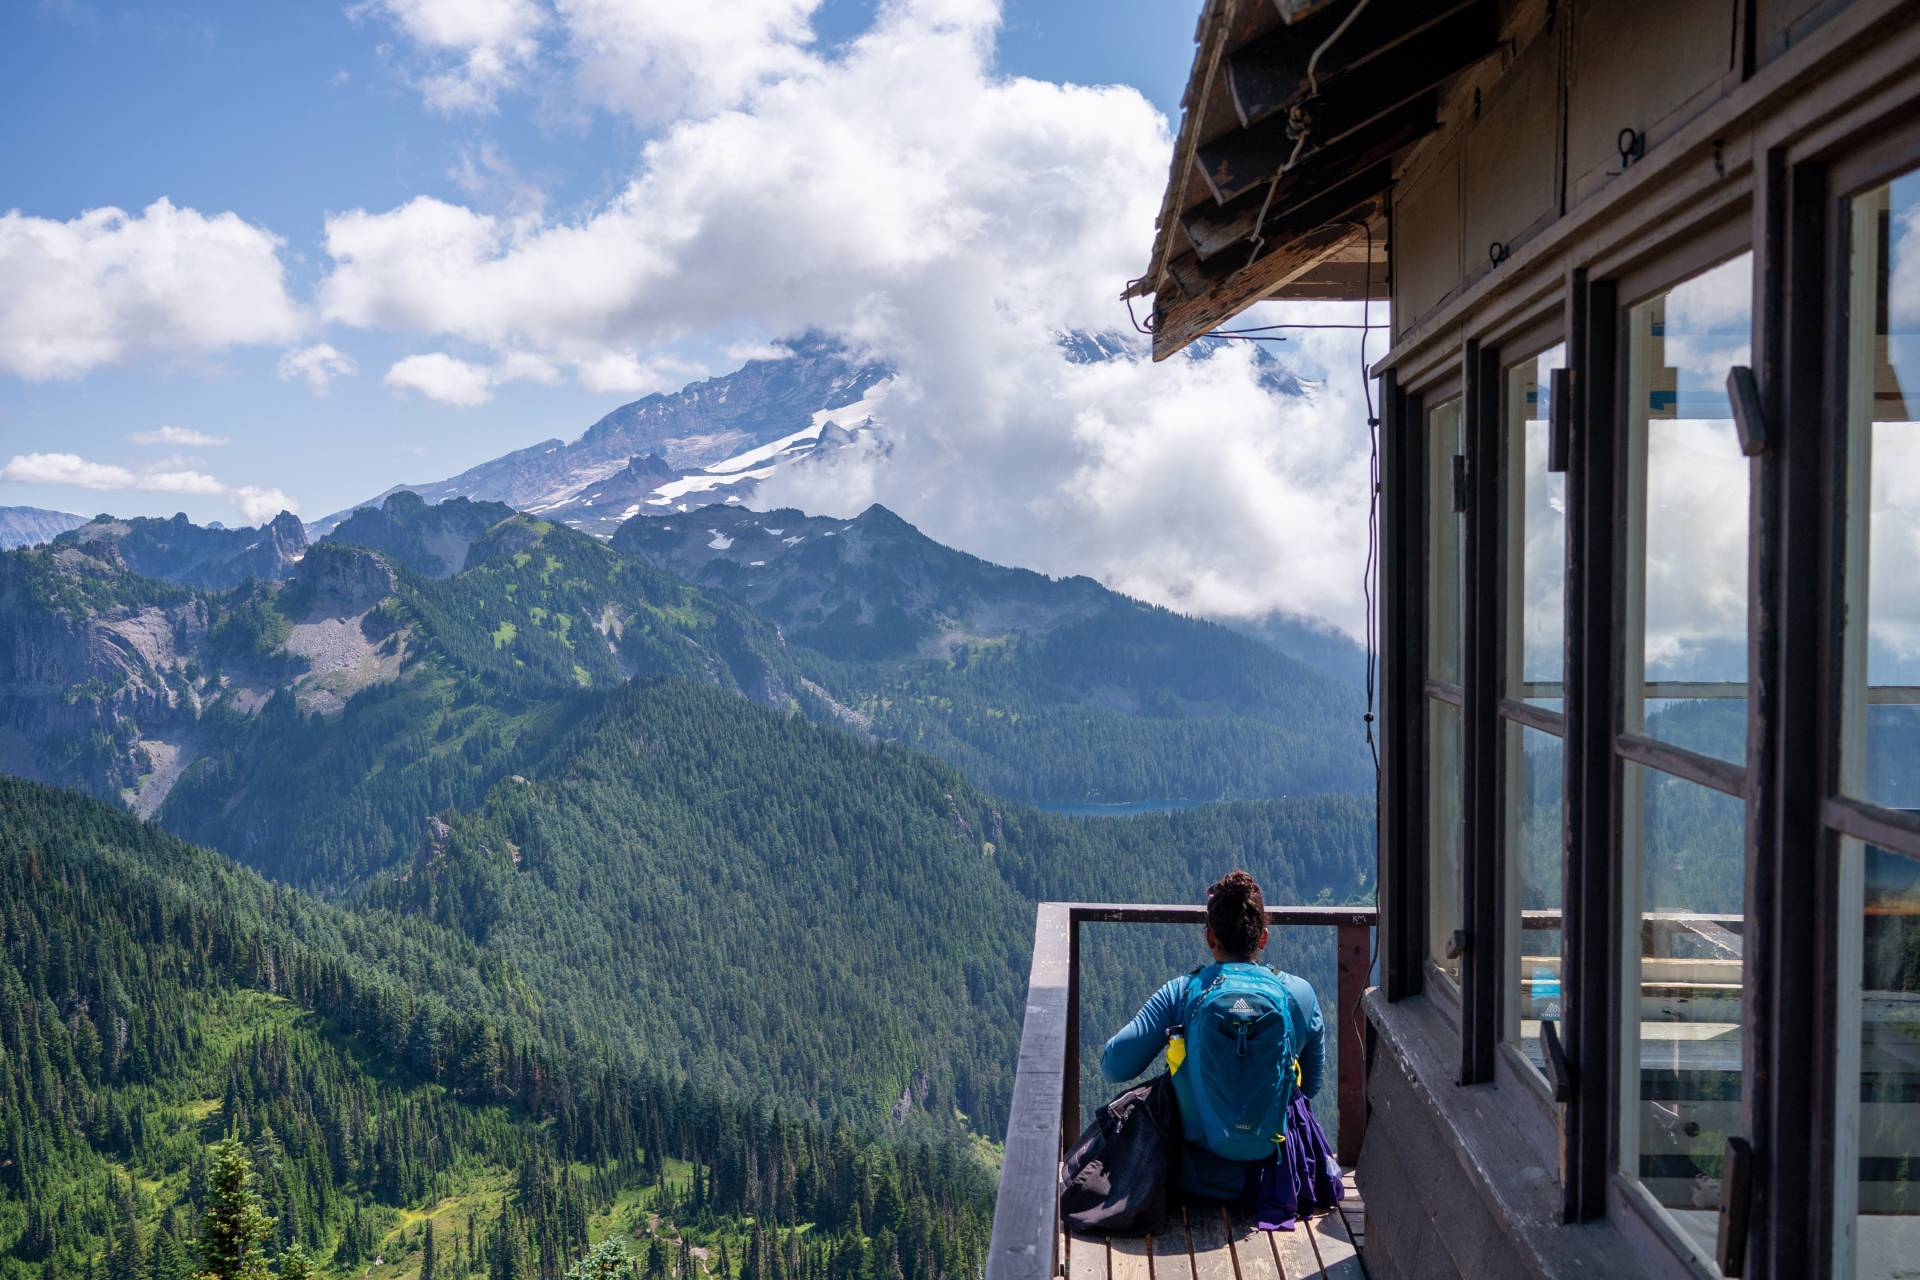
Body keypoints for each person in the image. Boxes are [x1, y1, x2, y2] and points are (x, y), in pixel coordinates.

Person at [1100, 870, 1326, 1202]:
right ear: (1262, 937)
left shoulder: (1182, 993)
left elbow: (1114, 1067)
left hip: (1194, 1178)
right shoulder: (1299, 995)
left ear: (1209, 938)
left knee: (1164, 1085)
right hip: (1273, 1175)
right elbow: (1310, 1086)